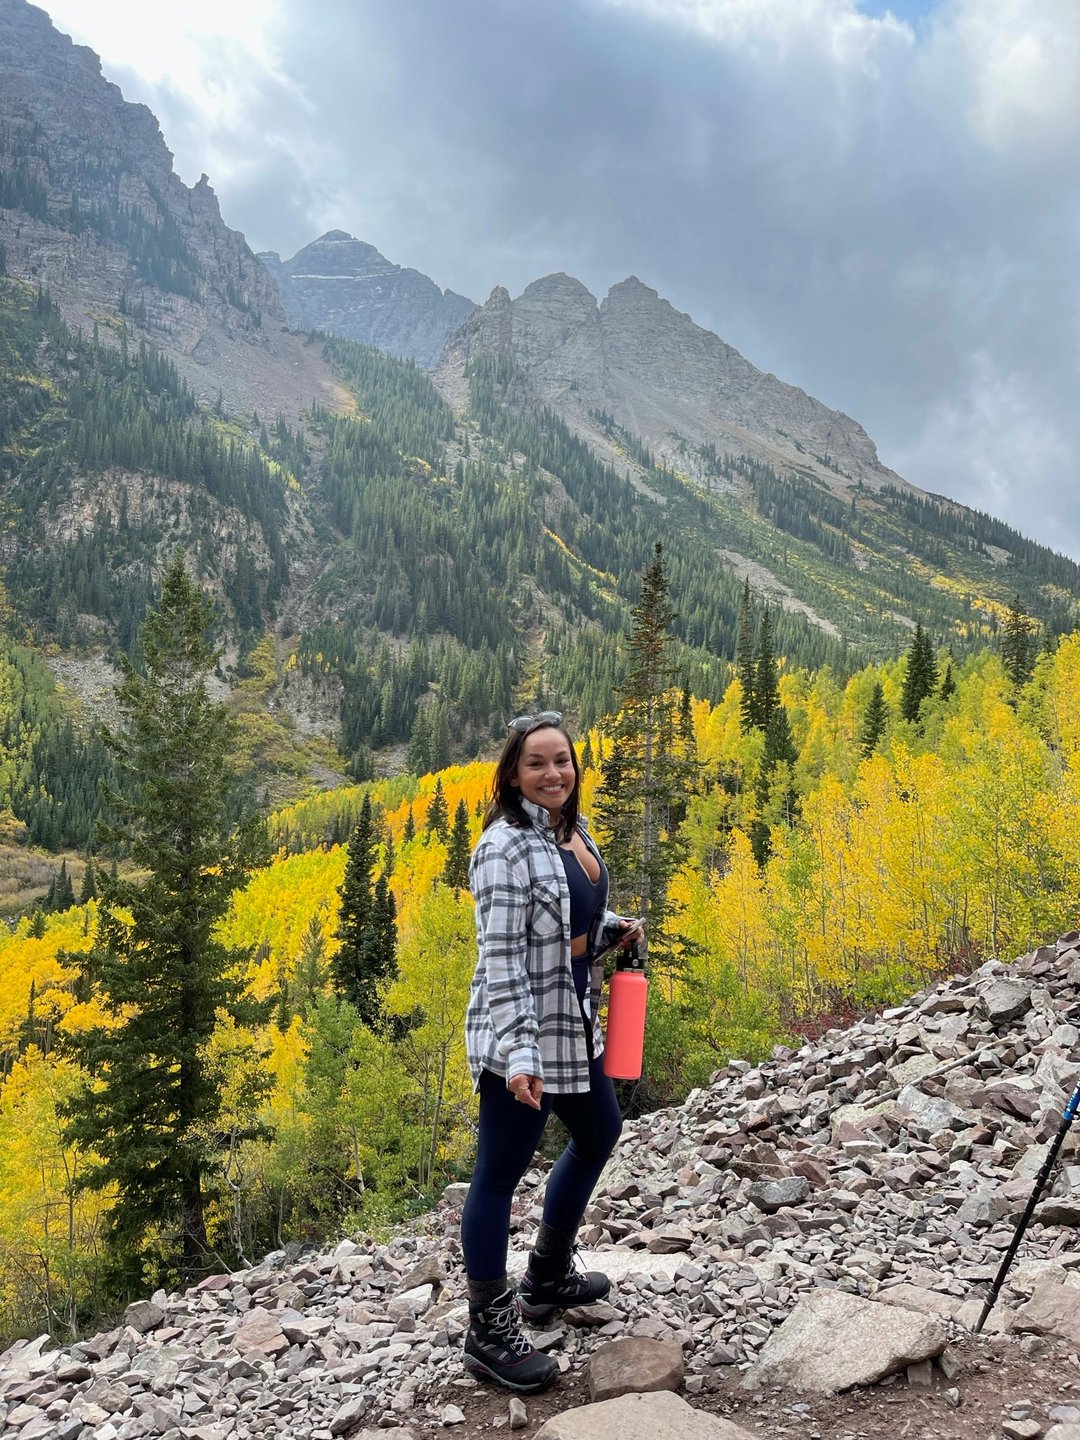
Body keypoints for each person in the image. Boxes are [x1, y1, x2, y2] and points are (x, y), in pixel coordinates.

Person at [460, 711, 642, 1393]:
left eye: (561, 760)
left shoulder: (572, 831)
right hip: (523, 1029)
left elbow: (574, 921)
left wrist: (611, 929)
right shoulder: (502, 847)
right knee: (499, 1175)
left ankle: (545, 1276)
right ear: (512, 774)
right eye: (536, 763)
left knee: (600, 1130)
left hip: (575, 1019)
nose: (552, 773)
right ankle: (488, 1331)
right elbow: (502, 958)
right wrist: (519, 1054)